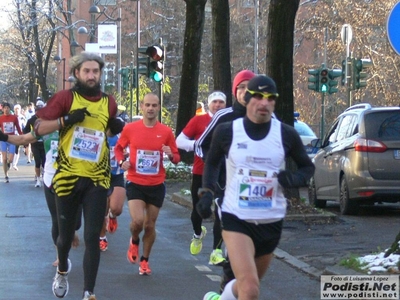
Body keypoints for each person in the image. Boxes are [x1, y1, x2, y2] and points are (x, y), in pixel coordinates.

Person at [198, 75, 315, 300]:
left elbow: (307, 169)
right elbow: (212, 163)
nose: (264, 103)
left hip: (271, 219)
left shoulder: (285, 133)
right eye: (259, 96)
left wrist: (291, 179)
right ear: (248, 98)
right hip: (236, 216)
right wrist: (207, 193)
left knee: (246, 286)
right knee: (250, 288)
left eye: (270, 98)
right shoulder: (227, 131)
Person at [34, 52, 121, 300]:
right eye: (87, 71)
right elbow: (39, 127)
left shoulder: (109, 102)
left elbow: (106, 128)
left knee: (92, 236)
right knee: (64, 236)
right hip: (68, 177)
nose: (92, 76)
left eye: (96, 71)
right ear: (76, 74)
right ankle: (62, 269)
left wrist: (115, 126)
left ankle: (89, 292)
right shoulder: (65, 98)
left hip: (96, 178)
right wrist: (66, 120)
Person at [195, 70, 256, 290]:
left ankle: (228, 285)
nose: (245, 91)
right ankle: (228, 284)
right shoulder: (224, 117)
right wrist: (214, 173)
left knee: (253, 248)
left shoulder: (266, 117)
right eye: (241, 87)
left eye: (250, 86)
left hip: (257, 194)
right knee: (235, 238)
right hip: (227, 188)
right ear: (235, 92)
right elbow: (201, 144)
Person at [115, 92, 180, 276]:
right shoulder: (130, 129)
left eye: (154, 105)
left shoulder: (166, 132)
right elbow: (119, 148)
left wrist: (170, 154)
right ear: (141, 107)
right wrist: (122, 162)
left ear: (159, 107)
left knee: (150, 225)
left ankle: (144, 260)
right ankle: (134, 240)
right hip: (136, 182)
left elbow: (176, 157)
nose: (151, 108)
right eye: (147, 105)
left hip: (156, 184)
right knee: (137, 222)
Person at [0, 128, 81, 267]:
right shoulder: (47, 129)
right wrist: (4, 137)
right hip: (51, 179)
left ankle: (71, 230)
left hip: (73, 179)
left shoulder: (77, 127)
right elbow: (23, 139)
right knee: (56, 220)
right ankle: (61, 257)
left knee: (76, 223)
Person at [176, 91, 227, 265]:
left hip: (223, 173)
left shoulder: (229, 121)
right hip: (201, 172)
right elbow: (179, 141)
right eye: (215, 102)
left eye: (221, 102)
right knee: (198, 211)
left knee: (220, 212)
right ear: (209, 103)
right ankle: (198, 233)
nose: (218, 105)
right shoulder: (198, 120)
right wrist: (196, 145)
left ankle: (216, 251)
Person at [99, 122, 127, 252]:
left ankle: (112, 216)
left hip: (116, 175)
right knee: (101, 210)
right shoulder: (99, 132)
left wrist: (126, 155)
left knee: (116, 208)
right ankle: (102, 237)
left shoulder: (122, 134)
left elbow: (132, 149)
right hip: (100, 176)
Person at [24, 99, 46, 187]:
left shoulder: (47, 119)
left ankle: (44, 177)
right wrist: (28, 140)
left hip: (44, 143)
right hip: (35, 144)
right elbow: (25, 130)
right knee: (37, 161)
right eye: (38, 111)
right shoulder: (31, 119)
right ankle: (38, 179)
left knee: (44, 162)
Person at [0, 102, 23, 183]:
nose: (6, 109)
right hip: (3, 140)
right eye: (5, 108)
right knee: (4, 158)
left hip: (12, 139)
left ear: (10, 109)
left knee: (10, 159)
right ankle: (6, 175)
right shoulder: (1, 118)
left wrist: (22, 137)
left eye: (7, 108)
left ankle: (9, 164)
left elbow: (19, 128)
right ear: (2, 109)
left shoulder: (14, 118)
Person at [12, 104, 26, 171]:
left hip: (18, 135)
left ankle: (14, 164)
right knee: (10, 149)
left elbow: (24, 127)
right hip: (11, 135)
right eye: (15, 109)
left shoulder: (22, 117)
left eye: (18, 109)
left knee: (16, 149)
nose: (17, 110)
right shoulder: (11, 117)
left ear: (20, 110)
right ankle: (9, 162)